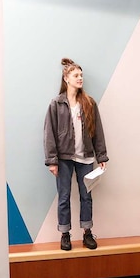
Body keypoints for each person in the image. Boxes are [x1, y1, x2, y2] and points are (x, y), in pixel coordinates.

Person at [44, 58, 108, 251]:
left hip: (86, 158)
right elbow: (49, 134)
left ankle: (87, 233)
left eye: (81, 75)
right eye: (76, 75)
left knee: (86, 197)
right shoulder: (56, 104)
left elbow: (97, 131)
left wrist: (102, 156)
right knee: (63, 197)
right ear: (66, 78)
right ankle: (65, 234)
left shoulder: (89, 103)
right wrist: (52, 161)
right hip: (63, 159)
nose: (80, 78)